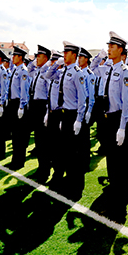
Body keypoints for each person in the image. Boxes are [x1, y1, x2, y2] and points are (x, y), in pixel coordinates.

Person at [91, 32, 128, 219]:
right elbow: (91, 69)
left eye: (112, 47)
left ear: (121, 50)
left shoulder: (125, 72)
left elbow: (127, 103)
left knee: (120, 167)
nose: (109, 49)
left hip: (118, 120)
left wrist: (123, 127)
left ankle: (119, 209)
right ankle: (112, 202)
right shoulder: (105, 68)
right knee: (110, 164)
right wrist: (99, 57)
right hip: (105, 120)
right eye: (108, 46)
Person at [43, 41, 87, 198]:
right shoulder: (61, 72)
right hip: (60, 114)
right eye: (64, 53)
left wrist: (79, 119)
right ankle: (62, 181)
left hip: (71, 115)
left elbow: (83, 99)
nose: (64, 55)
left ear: (74, 55)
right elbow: (47, 75)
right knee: (60, 151)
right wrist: (55, 64)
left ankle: (76, 188)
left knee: (73, 154)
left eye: (67, 53)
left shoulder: (77, 73)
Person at [2, 46, 31, 170]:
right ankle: (15, 159)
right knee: (15, 134)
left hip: (19, 104)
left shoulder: (23, 71)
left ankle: (19, 161)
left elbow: (24, 91)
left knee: (20, 135)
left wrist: (21, 106)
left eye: (15, 56)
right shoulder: (15, 70)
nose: (12, 58)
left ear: (20, 57)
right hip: (13, 103)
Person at [27, 45, 52, 182]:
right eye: (36, 56)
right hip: (35, 106)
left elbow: (50, 93)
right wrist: (35, 62)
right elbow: (29, 69)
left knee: (44, 141)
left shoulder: (47, 72)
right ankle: (40, 168)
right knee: (38, 140)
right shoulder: (37, 71)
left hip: (43, 106)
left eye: (40, 56)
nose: (37, 59)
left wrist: (48, 111)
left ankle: (45, 170)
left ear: (46, 58)